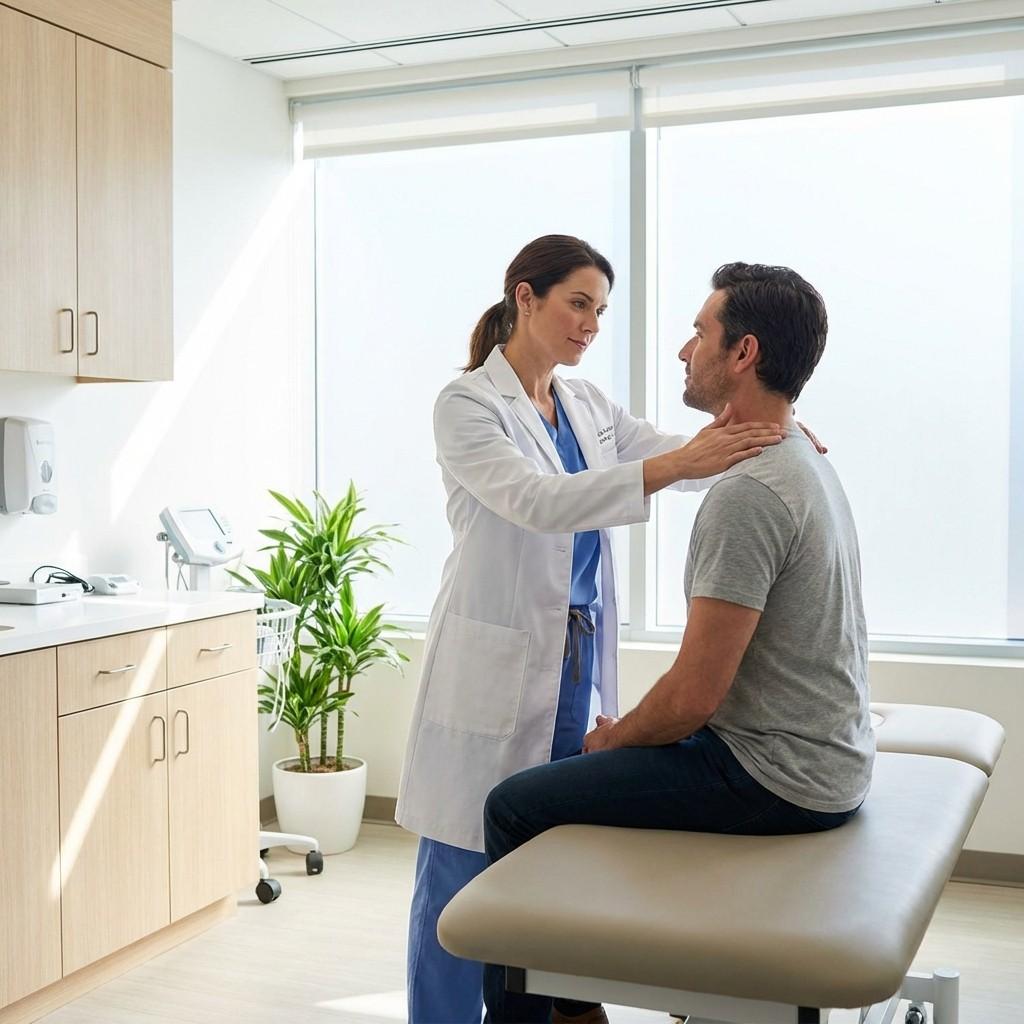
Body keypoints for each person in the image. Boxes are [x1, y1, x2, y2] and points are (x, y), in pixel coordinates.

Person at [397, 235, 802, 1024]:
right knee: (457, 875)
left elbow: (677, 448)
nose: (591, 324)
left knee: (546, 862)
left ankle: (537, 1008)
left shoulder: (583, 404)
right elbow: (537, 500)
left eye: (601, 310)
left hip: (571, 662)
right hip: (493, 667)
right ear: (525, 298)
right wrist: (680, 466)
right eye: (577, 303)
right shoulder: (468, 404)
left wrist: (776, 427)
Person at [480, 262, 876, 1024]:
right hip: (823, 760)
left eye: (699, 332)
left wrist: (614, 742)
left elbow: (695, 700)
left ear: (743, 353)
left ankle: (560, 1015)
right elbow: (586, 479)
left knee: (513, 808)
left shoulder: (750, 495)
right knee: (579, 782)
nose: (682, 349)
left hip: (773, 776)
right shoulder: (800, 464)